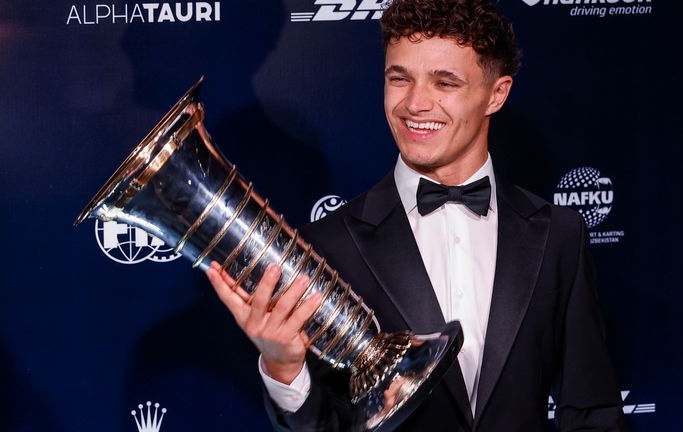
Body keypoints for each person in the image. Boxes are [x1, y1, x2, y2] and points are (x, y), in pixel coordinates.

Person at [206, 0, 626, 430]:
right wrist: (284, 370)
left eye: (445, 83)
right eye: (399, 78)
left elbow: (592, 413)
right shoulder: (328, 245)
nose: (414, 104)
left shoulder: (558, 236)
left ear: (496, 94)